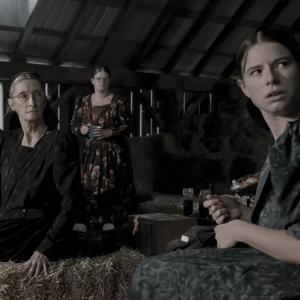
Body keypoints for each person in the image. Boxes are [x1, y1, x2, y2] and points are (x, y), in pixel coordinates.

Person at [128, 29, 300, 299]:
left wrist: (240, 230)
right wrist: (241, 211)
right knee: (172, 255)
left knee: (155, 273)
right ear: (244, 87)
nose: (271, 79)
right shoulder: (281, 144)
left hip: (289, 274)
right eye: (256, 71)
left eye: (282, 64)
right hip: (276, 263)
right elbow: (287, 220)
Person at [0, 72, 82, 277]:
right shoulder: (6, 142)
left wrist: (46, 248)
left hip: (37, 229)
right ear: (12, 104)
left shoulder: (59, 142)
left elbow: (72, 200)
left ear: (44, 100)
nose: (31, 102)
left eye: (37, 94)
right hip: (7, 225)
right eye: (23, 96)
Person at [70, 65, 136, 233]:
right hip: (91, 155)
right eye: (98, 78)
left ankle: (112, 222)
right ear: (92, 81)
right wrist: (83, 130)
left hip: (114, 154)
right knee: (88, 187)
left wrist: (111, 132)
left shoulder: (119, 101)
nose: (102, 81)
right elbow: (73, 126)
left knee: (111, 187)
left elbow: (129, 126)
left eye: (105, 78)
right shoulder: (83, 101)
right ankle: (90, 223)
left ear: (110, 81)